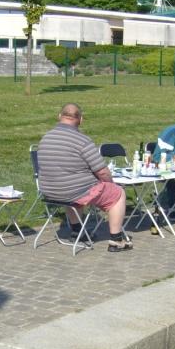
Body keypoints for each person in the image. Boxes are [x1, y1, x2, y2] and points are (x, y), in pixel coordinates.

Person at [37, 103, 132, 252]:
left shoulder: (46, 138)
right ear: (80, 119)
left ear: (59, 116)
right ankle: (116, 240)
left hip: (49, 191)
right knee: (118, 194)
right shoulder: (82, 140)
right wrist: (111, 184)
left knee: (75, 189)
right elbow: (102, 172)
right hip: (73, 191)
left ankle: (77, 231)